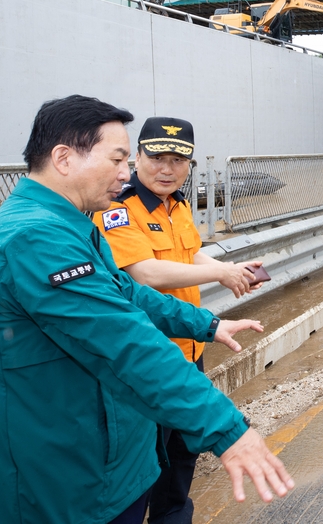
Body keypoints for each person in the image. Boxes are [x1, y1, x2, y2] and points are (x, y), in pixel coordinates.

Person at [0, 96, 293, 524]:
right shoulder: (34, 239)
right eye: (118, 158)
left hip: (102, 466)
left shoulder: (69, 225)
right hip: (61, 490)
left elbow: (128, 295)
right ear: (63, 158)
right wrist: (228, 430)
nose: (124, 172)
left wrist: (205, 323)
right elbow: (125, 342)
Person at [95, 116, 265, 524]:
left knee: (181, 457)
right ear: (137, 156)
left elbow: (188, 255)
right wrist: (220, 274)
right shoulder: (118, 208)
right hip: (149, 358)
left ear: (190, 165)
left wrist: (232, 267)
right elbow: (145, 273)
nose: (167, 169)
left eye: (178, 160)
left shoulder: (179, 204)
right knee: (145, 465)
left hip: (189, 350)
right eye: (157, 158)